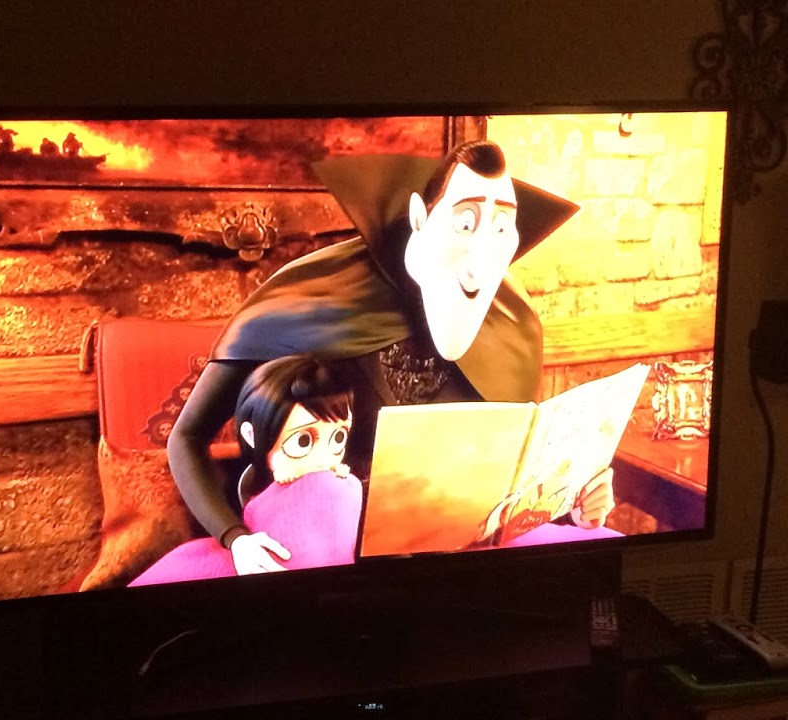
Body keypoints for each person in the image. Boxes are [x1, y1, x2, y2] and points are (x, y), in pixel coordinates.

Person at [166, 140, 615, 567]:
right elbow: (187, 437)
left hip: (451, 560)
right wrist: (235, 537)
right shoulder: (312, 302)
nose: (481, 261)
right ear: (421, 219)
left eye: (500, 227)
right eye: (465, 222)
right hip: (326, 554)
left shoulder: (511, 329)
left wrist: (574, 508)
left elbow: (512, 489)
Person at [129, 356, 360, 583]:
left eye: (339, 437)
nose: (322, 460)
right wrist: (235, 538)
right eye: (303, 441)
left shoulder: (344, 490)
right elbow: (185, 438)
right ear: (253, 436)